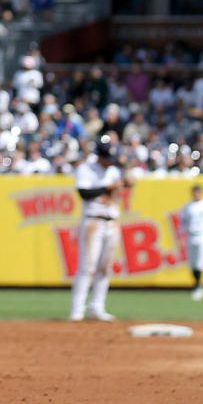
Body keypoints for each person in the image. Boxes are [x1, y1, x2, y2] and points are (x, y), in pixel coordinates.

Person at [69, 136, 131, 322]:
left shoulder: (113, 169)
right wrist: (107, 187)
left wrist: (126, 170)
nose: (109, 162)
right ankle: (77, 310)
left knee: (105, 267)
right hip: (93, 220)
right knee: (87, 266)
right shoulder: (86, 169)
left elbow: (130, 181)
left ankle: (97, 308)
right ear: (99, 156)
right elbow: (83, 193)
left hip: (112, 221)